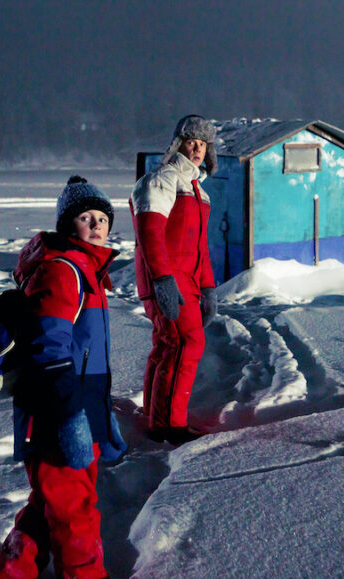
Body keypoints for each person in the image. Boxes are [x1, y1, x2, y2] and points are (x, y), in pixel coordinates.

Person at [0, 176, 126, 579]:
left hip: (79, 407)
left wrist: (100, 412)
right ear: (68, 225)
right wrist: (70, 418)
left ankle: (12, 572)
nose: (97, 225)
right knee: (75, 513)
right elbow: (49, 349)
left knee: (51, 504)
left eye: (103, 218)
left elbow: (85, 354)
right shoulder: (62, 271)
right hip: (56, 414)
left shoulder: (88, 271)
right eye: (86, 217)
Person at [130, 114, 219, 445]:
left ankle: (154, 415)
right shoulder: (163, 179)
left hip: (187, 282)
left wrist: (208, 288)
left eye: (202, 144)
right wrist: (163, 280)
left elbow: (200, 248)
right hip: (168, 279)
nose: (197, 149)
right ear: (179, 144)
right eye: (191, 142)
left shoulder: (198, 190)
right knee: (186, 343)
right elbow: (150, 232)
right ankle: (170, 425)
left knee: (166, 344)